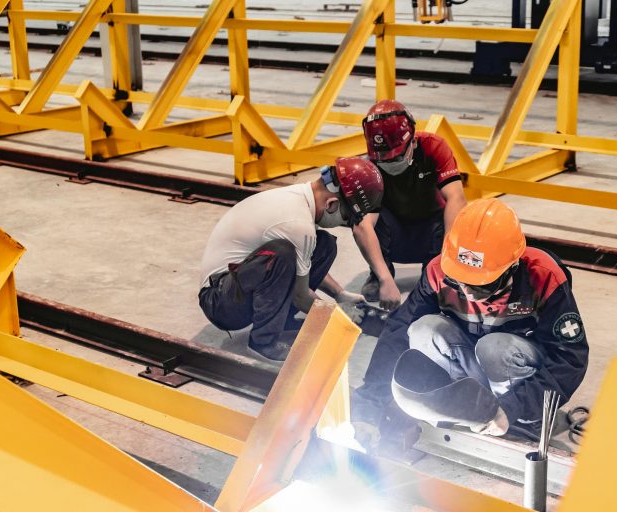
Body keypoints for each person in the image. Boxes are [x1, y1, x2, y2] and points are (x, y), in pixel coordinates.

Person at [352, 198, 588, 446]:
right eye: (460, 279)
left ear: (511, 266)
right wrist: (369, 403)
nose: (468, 292)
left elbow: (569, 358)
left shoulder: (543, 275)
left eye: (480, 282)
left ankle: (520, 422)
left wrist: (513, 407)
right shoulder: (438, 272)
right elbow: (398, 331)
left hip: (517, 373)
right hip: (473, 366)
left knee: (495, 348)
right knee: (425, 329)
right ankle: (471, 407)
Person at [198, 157, 383, 362]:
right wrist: (338, 318)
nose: (343, 223)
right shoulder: (297, 223)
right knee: (282, 253)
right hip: (220, 304)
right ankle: (264, 341)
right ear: (332, 204)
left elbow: (302, 263)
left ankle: (282, 319)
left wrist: (340, 294)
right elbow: (300, 295)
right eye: (346, 219)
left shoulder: (298, 199)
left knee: (324, 245)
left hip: (236, 286)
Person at [354, 99, 467, 311]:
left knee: (453, 214)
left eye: (395, 158)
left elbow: (457, 198)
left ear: (412, 141)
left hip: (431, 231)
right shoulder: (370, 165)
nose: (389, 164)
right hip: (396, 232)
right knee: (364, 214)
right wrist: (385, 278)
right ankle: (377, 276)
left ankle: (433, 275)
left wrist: (447, 260)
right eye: (384, 160)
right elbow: (363, 226)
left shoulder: (434, 148)